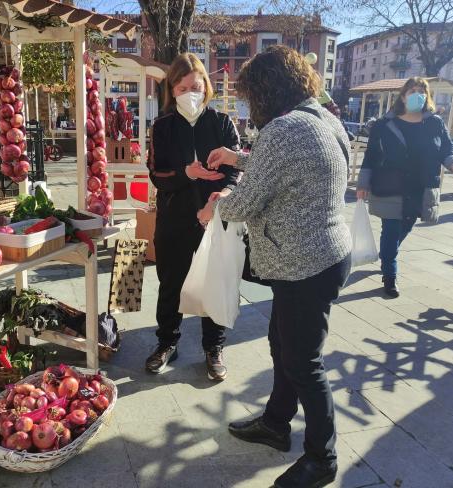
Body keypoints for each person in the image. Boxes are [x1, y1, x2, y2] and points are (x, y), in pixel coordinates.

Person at [201, 45, 352, 488]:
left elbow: (247, 201)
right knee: (281, 345)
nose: (250, 105)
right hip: (323, 255)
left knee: (304, 362)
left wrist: (218, 204)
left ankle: (322, 459)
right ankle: (275, 421)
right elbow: (295, 167)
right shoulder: (323, 119)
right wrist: (237, 159)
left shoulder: (284, 129)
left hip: (304, 263)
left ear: (267, 90)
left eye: (251, 96)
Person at [145, 53, 241, 381]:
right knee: (170, 283)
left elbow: (236, 171)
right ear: (172, 90)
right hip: (174, 219)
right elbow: (157, 176)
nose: (190, 92)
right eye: (183, 87)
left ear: (206, 86)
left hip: (214, 218)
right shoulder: (162, 126)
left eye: (196, 86)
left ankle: (214, 348)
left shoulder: (222, 123)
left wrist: (222, 196)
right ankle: (166, 342)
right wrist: (187, 172)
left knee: (214, 283)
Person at [356, 77, 453, 297]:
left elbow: (447, 147)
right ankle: (390, 276)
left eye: (422, 91)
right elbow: (372, 155)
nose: (418, 94)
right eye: (412, 90)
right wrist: (363, 183)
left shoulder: (434, 123)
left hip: (421, 187)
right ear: (403, 96)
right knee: (391, 230)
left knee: (402, 230)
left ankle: (387, 256)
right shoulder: (384, 125)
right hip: (391, 185)